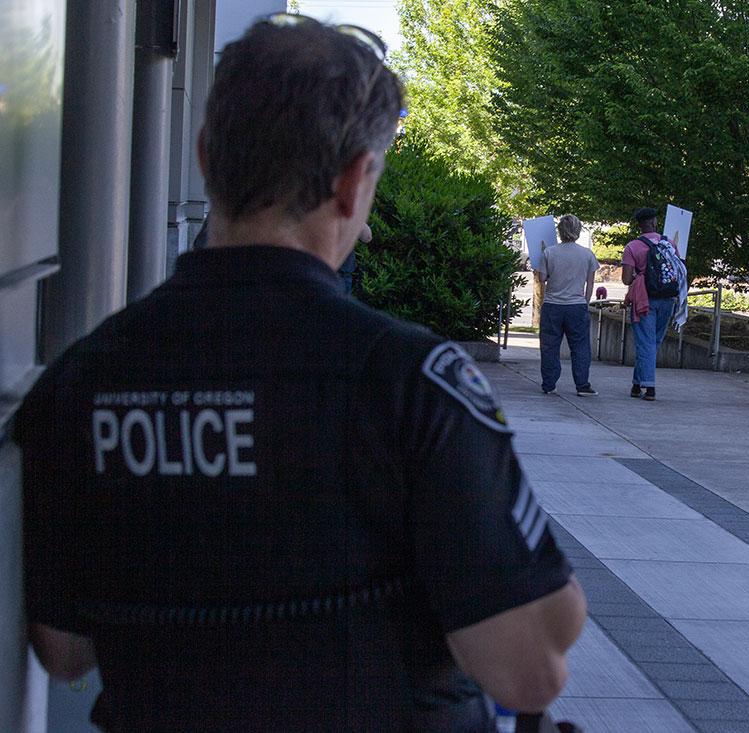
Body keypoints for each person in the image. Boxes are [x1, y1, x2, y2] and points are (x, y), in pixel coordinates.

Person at [13, 15, 585, 731]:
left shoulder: (78, 381)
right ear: (351, 184)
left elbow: (63, 652)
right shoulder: (410, 380)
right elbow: (530, 665)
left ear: (204, 155)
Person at [621, 206, 687, 401]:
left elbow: (625, 279)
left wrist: (637, 275)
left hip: (644, 299)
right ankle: (636, 384)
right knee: (653, 342)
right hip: (668, 299)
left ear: (640, 225)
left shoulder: (632, 247)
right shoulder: (669, 244)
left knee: (645, 343)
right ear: (655, 222)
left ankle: (649, 387)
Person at [538, 214, 599, 396]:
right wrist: (585, 302)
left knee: (549, 346)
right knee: (580, 346)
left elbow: (542, 278)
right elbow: (590, 284)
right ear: (578, 230)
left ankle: (549, 384)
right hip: (576, 305)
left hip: (552, 305)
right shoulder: (587, 255)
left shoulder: (549, 252)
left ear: (560, 231)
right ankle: (582, 385)